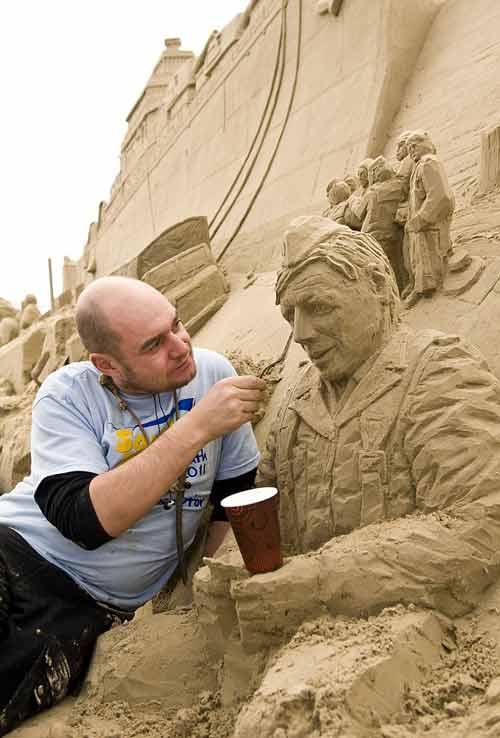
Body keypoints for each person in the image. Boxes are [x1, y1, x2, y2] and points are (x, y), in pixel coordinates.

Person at [215, 215, 500, 651]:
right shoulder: (299, 398)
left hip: (408, 632)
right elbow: (266, 514)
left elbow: (479, 524)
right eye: (291, 314)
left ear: (378, 289)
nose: (301, 335)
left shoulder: (439, 371)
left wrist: (319, 581)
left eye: (319, 307)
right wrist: (235, 568)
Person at [0, 276, 265, 735]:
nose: (181, 346)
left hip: (92, 608)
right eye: (153, 344)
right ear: (107, 363)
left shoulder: (212, 375)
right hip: (16, 553)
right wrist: (196, 427)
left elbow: (233, 494)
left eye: (176, 324)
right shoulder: (67, 395)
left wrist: (201, 580)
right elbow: (84, 520)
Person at [405, 130, 455, 307]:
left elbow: (441, 196)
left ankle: (432, 293)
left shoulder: (429, 163)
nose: (411, 151)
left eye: (414, 146)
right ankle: (423, 290)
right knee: (422, 258)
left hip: (431, 224)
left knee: (432, 257)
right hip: (424, 225)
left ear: (425, 143)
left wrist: (422, 218)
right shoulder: (420, 166)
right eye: (409, 147)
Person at [361, 155, 408, 292]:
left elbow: (356, 216)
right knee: (392, 264)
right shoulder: (399, 184)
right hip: (385, 233)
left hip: (375, 234)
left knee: (387, 266)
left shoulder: (373, 191)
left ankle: (395, 292)